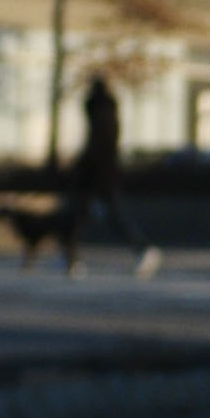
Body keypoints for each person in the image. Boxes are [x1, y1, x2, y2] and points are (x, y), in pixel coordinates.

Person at [58, 71, 159, 277]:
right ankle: (71, 259)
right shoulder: (109, 111)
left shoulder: (99, 111)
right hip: (102, 173)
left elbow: (96, 145)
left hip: (96, 175)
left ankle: (72, 259)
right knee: (85, 216)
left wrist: (81, 166)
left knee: (84, 216)